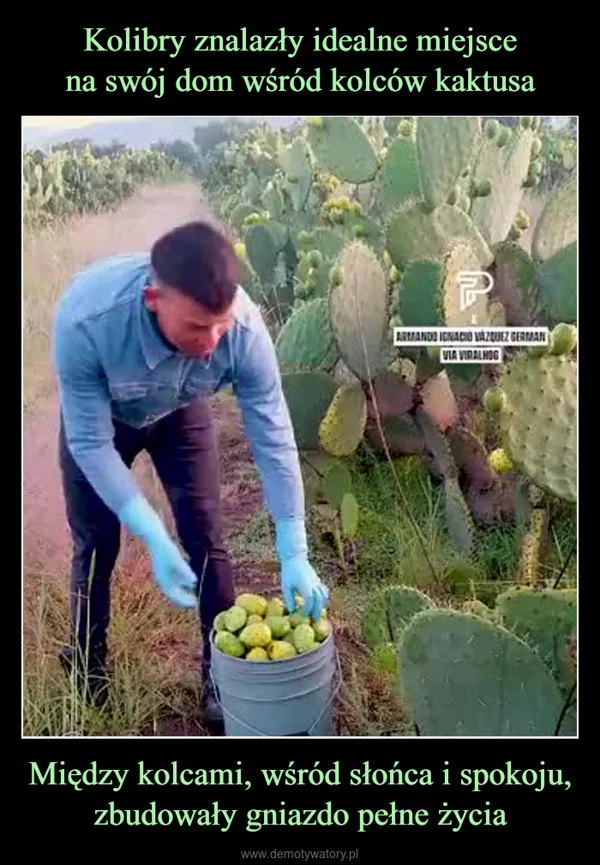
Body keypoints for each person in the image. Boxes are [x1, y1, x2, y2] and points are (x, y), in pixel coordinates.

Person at [52, 220, 329, 727]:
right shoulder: (87, 321)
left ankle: (221, 680)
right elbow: (90, 444)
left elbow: (273, 434)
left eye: (219, 325)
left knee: (205, 535)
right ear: (154, 300)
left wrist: (294, 549)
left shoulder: (242, 330)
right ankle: (86, 672)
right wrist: (152, 533)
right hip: (103, 420)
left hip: (180, 411)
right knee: (95, 544)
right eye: (197, 327)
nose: (211, 341)